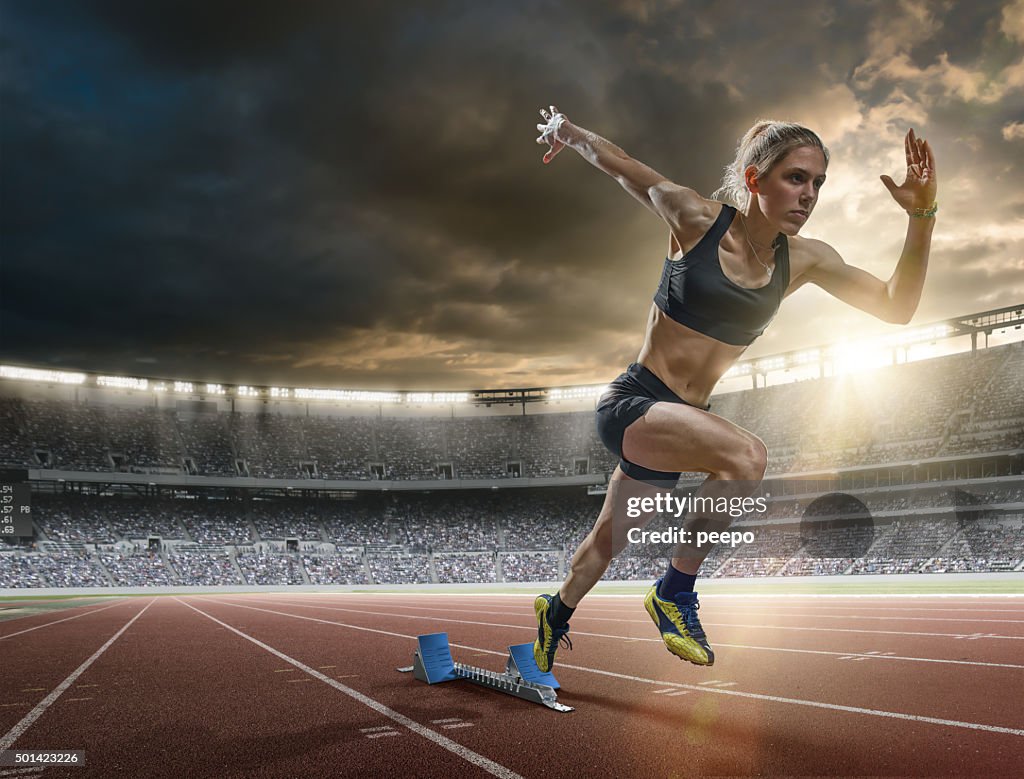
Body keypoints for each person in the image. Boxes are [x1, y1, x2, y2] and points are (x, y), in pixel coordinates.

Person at [531, 105, 937, 672]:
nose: (809, 194)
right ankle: (673, 591)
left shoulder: (806, 260)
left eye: (817, 182)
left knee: (604, 545)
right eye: (796, 178)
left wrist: (923, 216)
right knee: (746, 458)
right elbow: (621, 164)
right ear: (755, 179)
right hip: (635, 405)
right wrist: (569, 134)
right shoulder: (696, 218)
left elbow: (897, 307)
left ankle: (554, 613)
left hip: (679, 426)